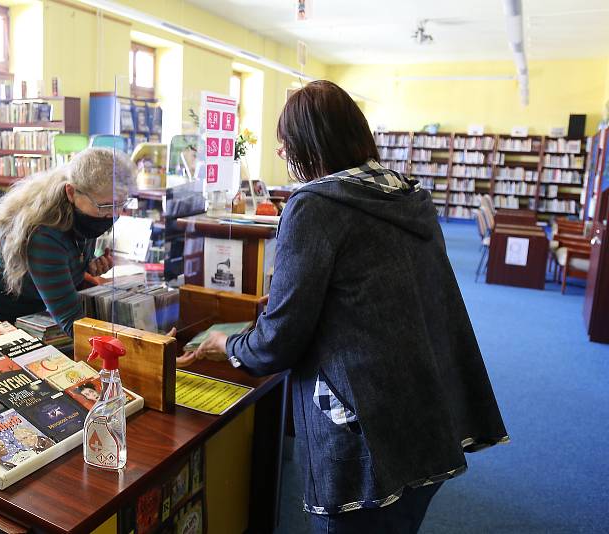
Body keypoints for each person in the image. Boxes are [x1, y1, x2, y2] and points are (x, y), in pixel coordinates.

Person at [187, 80, 508, 533]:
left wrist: (231, 344)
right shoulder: (407, 195)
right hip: (429, 411)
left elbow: (281, 336)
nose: (281, 152)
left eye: (286, 141)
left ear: (310, 143)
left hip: (363, 429)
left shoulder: (315, 205)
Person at [0, 148, 136, 338]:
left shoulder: (83, 212)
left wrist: (84, 266)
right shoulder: (42, 232)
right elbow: (73, 322)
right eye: (105, 205)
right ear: (71, 192)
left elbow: (67, 254)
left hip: (22, 305)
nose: (114, 213)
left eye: (121, 203)